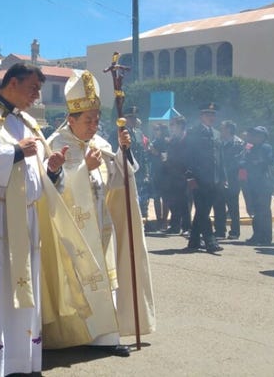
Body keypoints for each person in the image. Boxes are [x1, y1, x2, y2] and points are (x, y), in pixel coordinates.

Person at [0, 64, 100, 376]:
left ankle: (19, 360)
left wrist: (52, 168)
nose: (36, 97)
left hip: (26, 220)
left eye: (39, 91)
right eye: (32, 89)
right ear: (12, 82)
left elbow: (37, 170)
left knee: (23, 292)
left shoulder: (27, 121)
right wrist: (14, 152)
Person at [47, 69, 156, 356]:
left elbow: (124, 176)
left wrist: (124, 151)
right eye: (88, 120)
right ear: (71, 119)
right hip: (72, 230)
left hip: (102, 225)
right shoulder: (56, 145)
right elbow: (50, 189)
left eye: (96, 120)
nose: (94, 126)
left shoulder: (101, 143)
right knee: (76, 280)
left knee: (107, 280)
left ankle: (107, 336)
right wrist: (85, 170)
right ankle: (74, 334)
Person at [183, 103, 225, 254]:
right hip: (198, 178)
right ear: (201, 116)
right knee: (202, 209)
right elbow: (188, 157)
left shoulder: (216, 133)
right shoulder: (193, 132)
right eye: (208, 114)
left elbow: (220, 157)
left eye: (213, 114)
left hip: (213, 178)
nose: (211, 117)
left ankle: (194, 240)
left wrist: (223, 177)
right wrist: (190, 177)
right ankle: (210, 241)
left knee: (203, 211)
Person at [241, 126, 274, 245]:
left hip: (264, 183)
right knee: (255, 210)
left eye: (257, 135)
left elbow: (269, 160)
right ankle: (257, 235)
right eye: (254, 135)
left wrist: (256, 161)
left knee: (264, 210)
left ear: (263, 137)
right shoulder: (251, 148)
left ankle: (266, 237)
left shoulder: (266, 147)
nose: (254, 137)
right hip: (252, 182)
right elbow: (243, 161)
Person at [214, 120, 244, 239]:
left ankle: (235, 232)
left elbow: (238, 162)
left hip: (233, 179)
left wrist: (227, 174)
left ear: (229, 129)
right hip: (219, 178)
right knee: (218, 205)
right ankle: (220, 231)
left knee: (233, 207)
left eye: (222, 128)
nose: (220, 130)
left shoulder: (238, 143)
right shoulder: (218, 142)